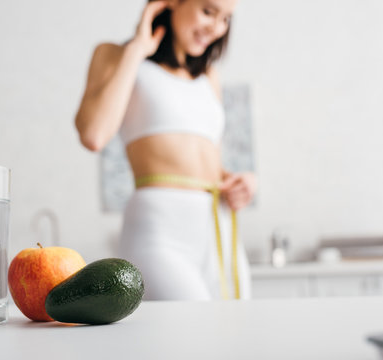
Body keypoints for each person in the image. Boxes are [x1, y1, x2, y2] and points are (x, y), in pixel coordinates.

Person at [75, 0, 257, 300]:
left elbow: (209, 164)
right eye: (208, 11)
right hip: (159, 232)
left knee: (236, 338)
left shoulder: (208, 76)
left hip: (220, 228)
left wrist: (242, 183)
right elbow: (93, 135)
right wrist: (137, 49)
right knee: (191, 338)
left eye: (225, 19)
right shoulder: (115, 55)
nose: (217, 28)